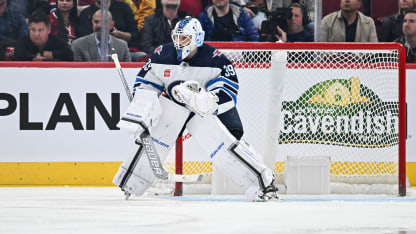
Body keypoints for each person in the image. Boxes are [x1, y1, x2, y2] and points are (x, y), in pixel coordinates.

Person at [113, 17, 279, 202]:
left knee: (226, 145)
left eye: (184, 38)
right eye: (177, 37)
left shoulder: (215, 59)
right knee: (156, 136)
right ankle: (132, 181)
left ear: (197, 39)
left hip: (208, 110)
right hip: (176, 105)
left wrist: (206, 101)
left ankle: (262, 184)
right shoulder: (162, 54)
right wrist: (142, 111)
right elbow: (145, 84)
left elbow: (228, 90)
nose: (178, 43)